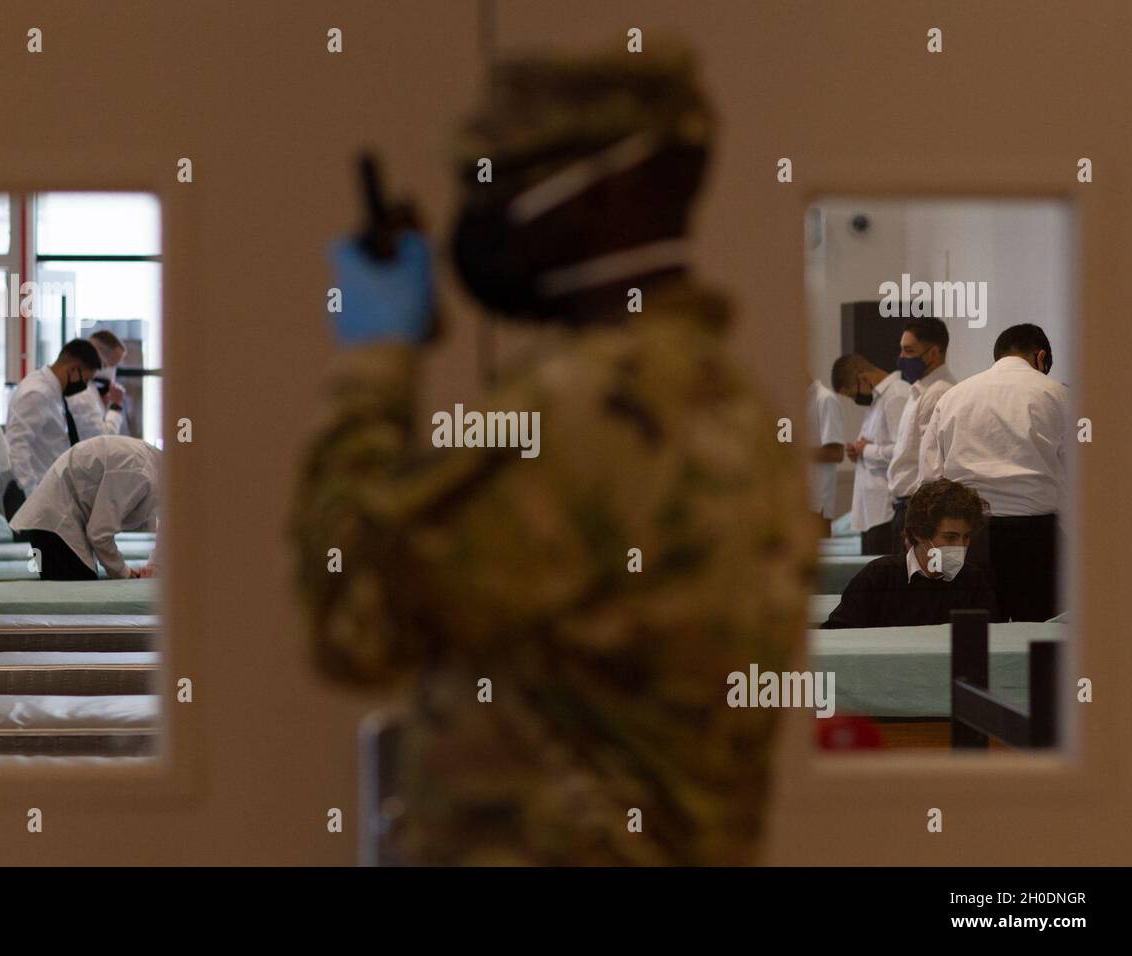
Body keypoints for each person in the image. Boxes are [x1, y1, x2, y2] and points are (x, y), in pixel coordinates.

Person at [291, 48, 810, 866]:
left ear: (609, 192)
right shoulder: (722, 396)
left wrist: (376, 363)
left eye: (500, 181)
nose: (479, 212)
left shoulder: (583, 410)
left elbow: (356, 616)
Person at [920, 323, 1067, 621]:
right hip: (1038, 537)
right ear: (1040, 358)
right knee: (1038, 639)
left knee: (971, 638)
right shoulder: (1059, 396)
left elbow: (929, 477)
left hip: (967, 535)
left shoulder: (953, 396)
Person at [821, 478, 998, 628]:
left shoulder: (974, 582)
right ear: (919, 533)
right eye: (950, 537)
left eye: (966, 537)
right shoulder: (878, 578)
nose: (961, 546)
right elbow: (837, 635)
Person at [10, 435, 161, 581]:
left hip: (51, 521)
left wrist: (154, 566)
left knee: (77, 587)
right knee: (78, 597)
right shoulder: (141, 472)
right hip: (56, 524)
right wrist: (124, 572)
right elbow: (99, 533)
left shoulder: (156, 466)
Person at [2, 339, 103, 528]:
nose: (85, 386)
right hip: (37, 500)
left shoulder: (52, 391)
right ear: (73, 369)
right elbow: (16, 445)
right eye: (86, 379)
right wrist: (33, 499)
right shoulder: (37, 393)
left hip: (50, 497)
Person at [886, 318, 956, 554]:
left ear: (933, 352)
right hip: (904, 505)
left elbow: (933, 464)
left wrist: (918, 515)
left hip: (916, 507)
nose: (902, 358)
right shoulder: (919, 390)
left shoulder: (938, 393)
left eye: (909, 351)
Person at [831, 354, 907, 554]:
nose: (854, 399)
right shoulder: (878, 400)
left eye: (851, 393)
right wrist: (859, 453)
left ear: (863, 378)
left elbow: (903, 451)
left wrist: (866, 450)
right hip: (872, 511)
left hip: (885, 508)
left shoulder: (896, 396)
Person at [67, 329, 129, 439]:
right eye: (110, 364)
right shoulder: (82, 393)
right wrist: (116, 406)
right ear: (97, 354)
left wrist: (103, 406)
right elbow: (103, 439)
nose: (112, 371)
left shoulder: (90, 389)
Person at [807, 376, 845, 537]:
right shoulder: (788, 402)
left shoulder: (825, 399)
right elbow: (784, 443)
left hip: (816, 503)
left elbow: (835, 453)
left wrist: (796, 452)